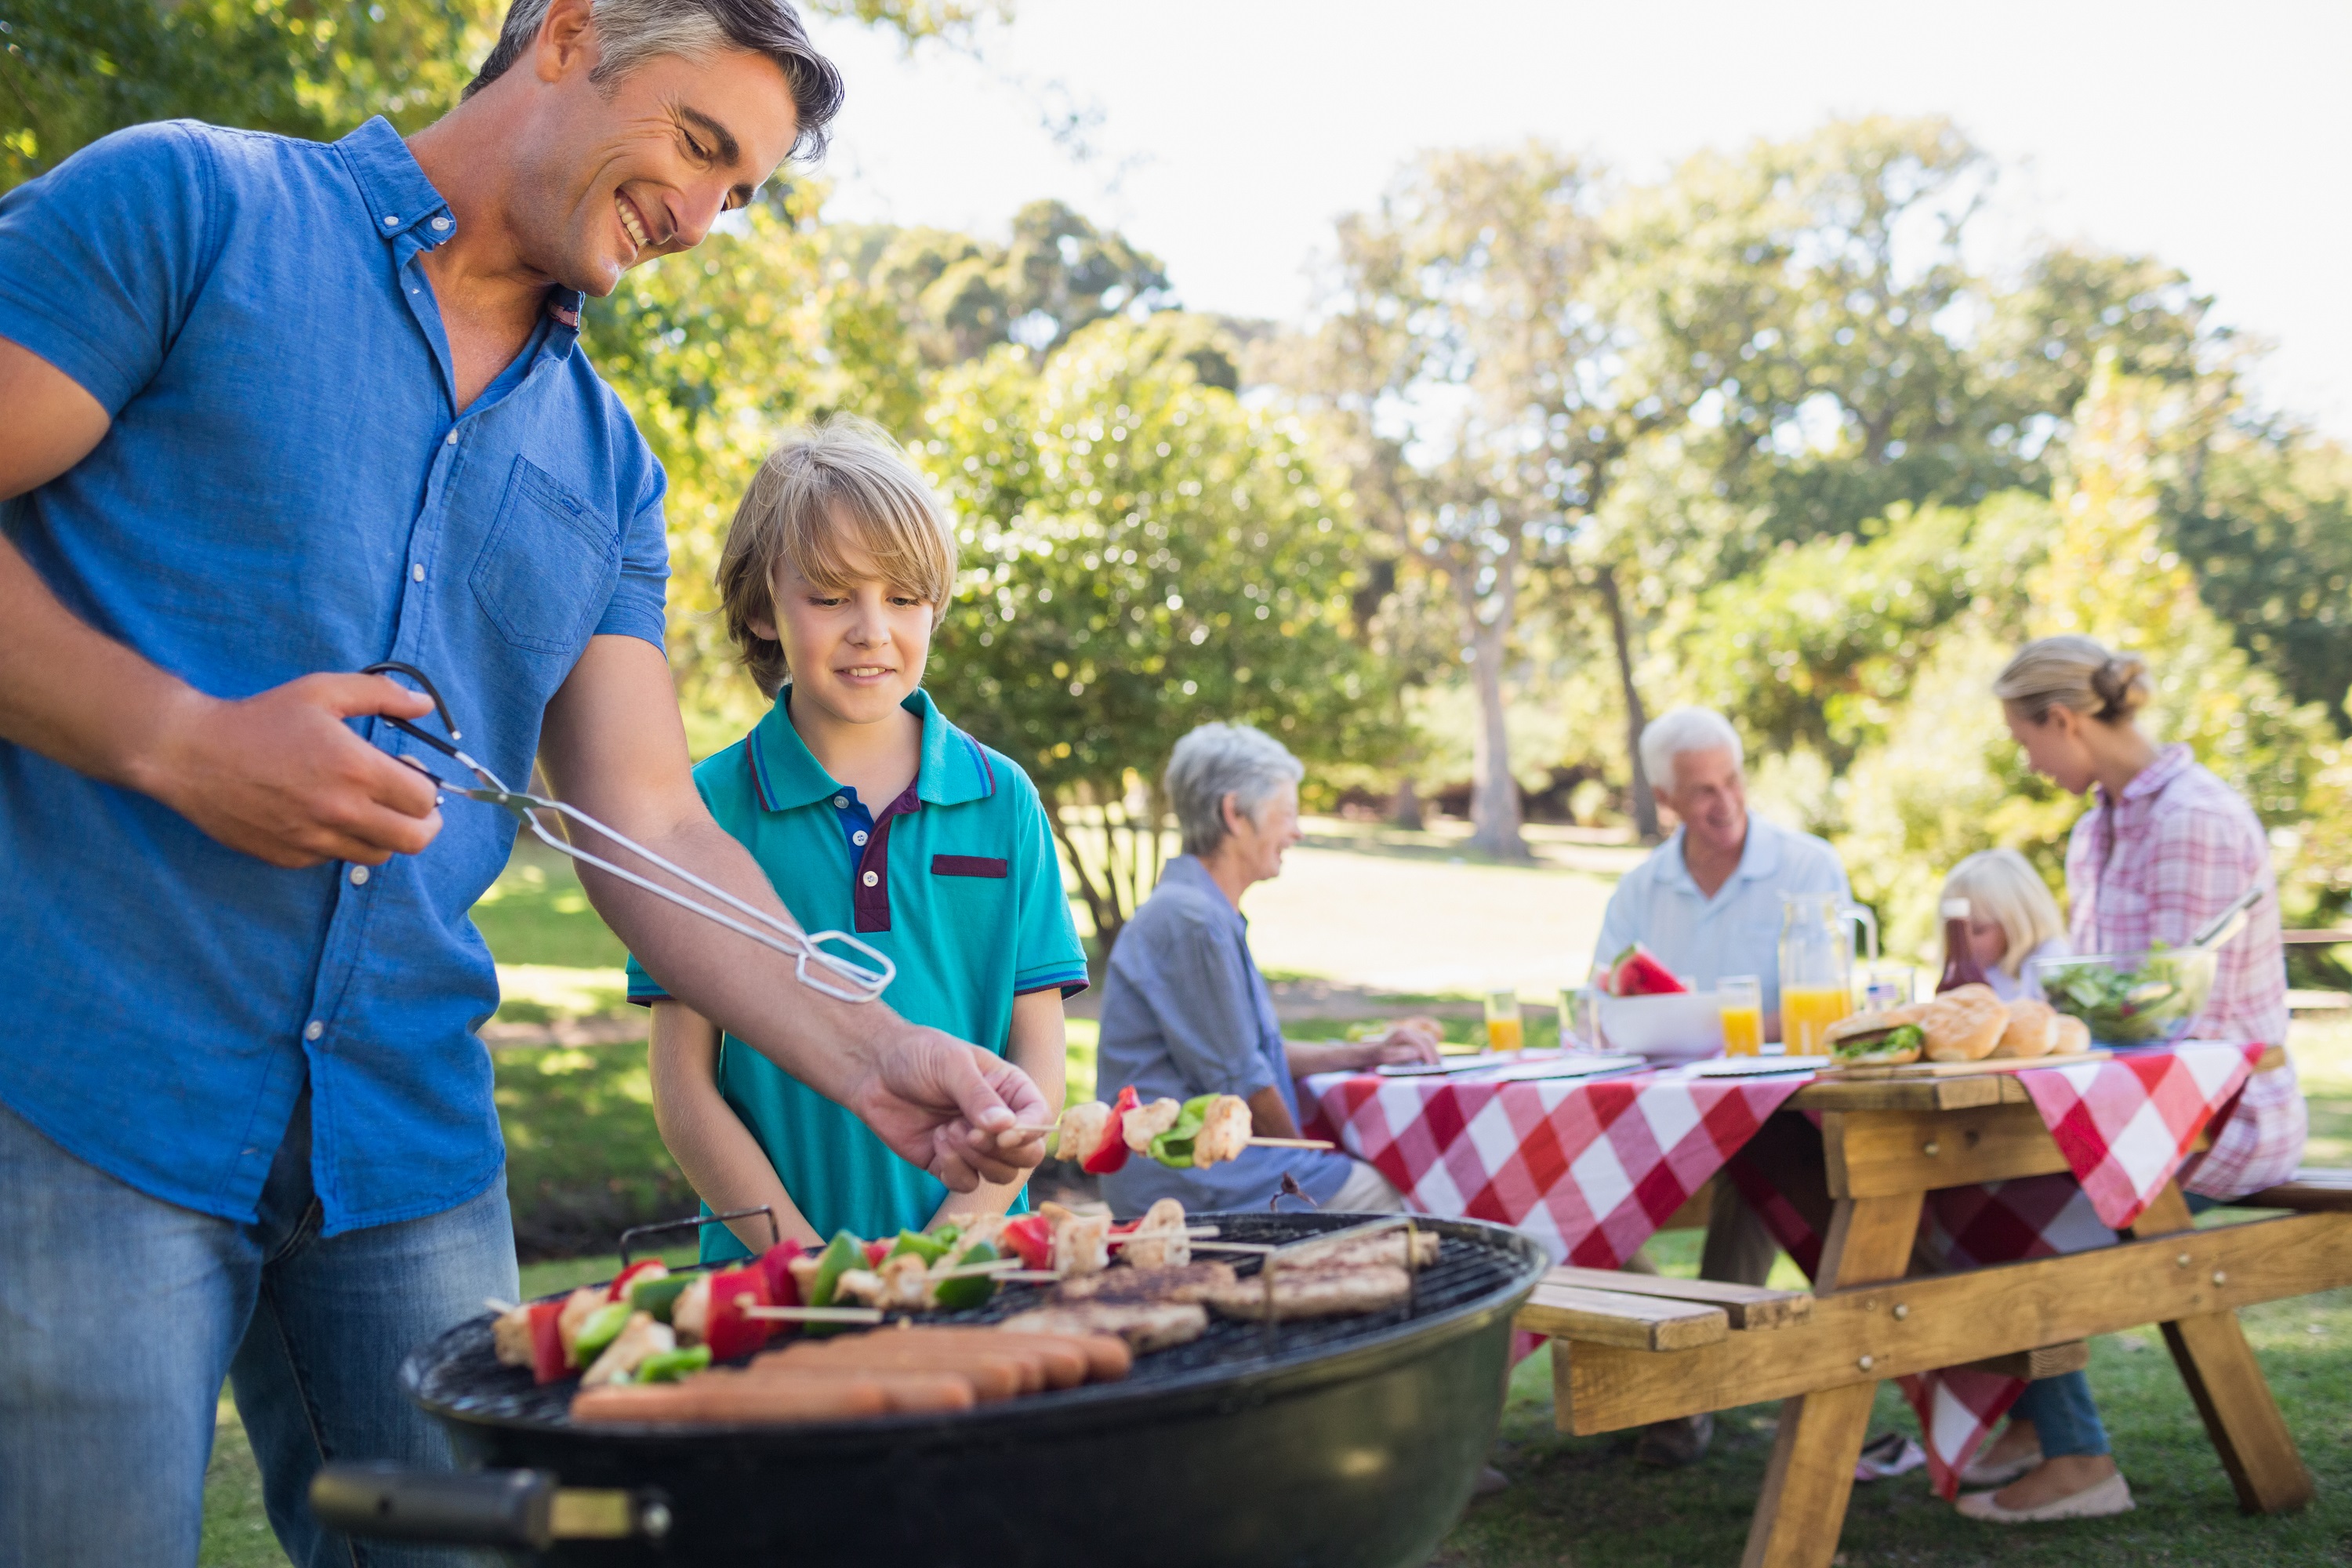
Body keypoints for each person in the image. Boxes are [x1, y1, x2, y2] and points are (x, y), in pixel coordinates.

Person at [0, 5, 1051, 1563]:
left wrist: (879, 1054)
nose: (703, 219)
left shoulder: (611, 462)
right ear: (569, 36)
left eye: (743, 190)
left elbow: (651, 821)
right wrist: (180, 740)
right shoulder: (191, 207)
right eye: (700, 145)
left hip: (406, 1148)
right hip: (86, 1091)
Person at [633, 419, 1087, 1258]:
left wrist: (952, 1243)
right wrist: (799, 1260)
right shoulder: (702, 811)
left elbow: (1038, 1061)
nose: (872, 628)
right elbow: (683, 1084)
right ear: (766, 606)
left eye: (903, 597)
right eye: (833, 594)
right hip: (768, 1280)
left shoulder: (1006, 801)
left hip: (969, 1265)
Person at [1955, 635, 2307, 1525]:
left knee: (2010, 1211)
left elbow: (2183, 1019)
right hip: (2127, 1105)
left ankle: (2081, 1460)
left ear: (2065, 720)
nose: (2027, 759)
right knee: (1960, 1191)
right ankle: (2039, 1421)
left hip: (2224, 1115)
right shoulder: (2096, 825)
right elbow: (2105, 995)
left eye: (2026, 739)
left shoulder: (2195, 818)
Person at [1591, 706, 1853, 1464]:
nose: (1724, 802)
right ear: (1665, 799)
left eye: (1733, 780)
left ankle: (1689, 1389)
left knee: (1762, 1158)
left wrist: (1711, 1024)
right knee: (1564, 1181)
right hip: (1659, 1111)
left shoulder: (1807, 867)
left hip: (1779, 1113)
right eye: (1701, 791)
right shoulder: (1641, 890)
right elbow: (1608, 1002)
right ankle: (1690, 1360)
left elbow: (1827, 997)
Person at [1094, 723, 1443, 1218]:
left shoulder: (1200, 911)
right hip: (1194, 1183)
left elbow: (1251, 1054)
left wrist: (1369, 1051)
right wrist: (1301, 1163)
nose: (1297, 832)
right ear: (1235, 814)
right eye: (1288, 815)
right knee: (1407, 1196)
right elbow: (1242, 1079)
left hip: (1211, 1172)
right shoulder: (1191, 921)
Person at [1940, 848, 2070, 1002]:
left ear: (2016, 924)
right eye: (1953, 933)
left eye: (1978, 930)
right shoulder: (1975, 972)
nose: (1963, 942)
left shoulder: (2051, 960)